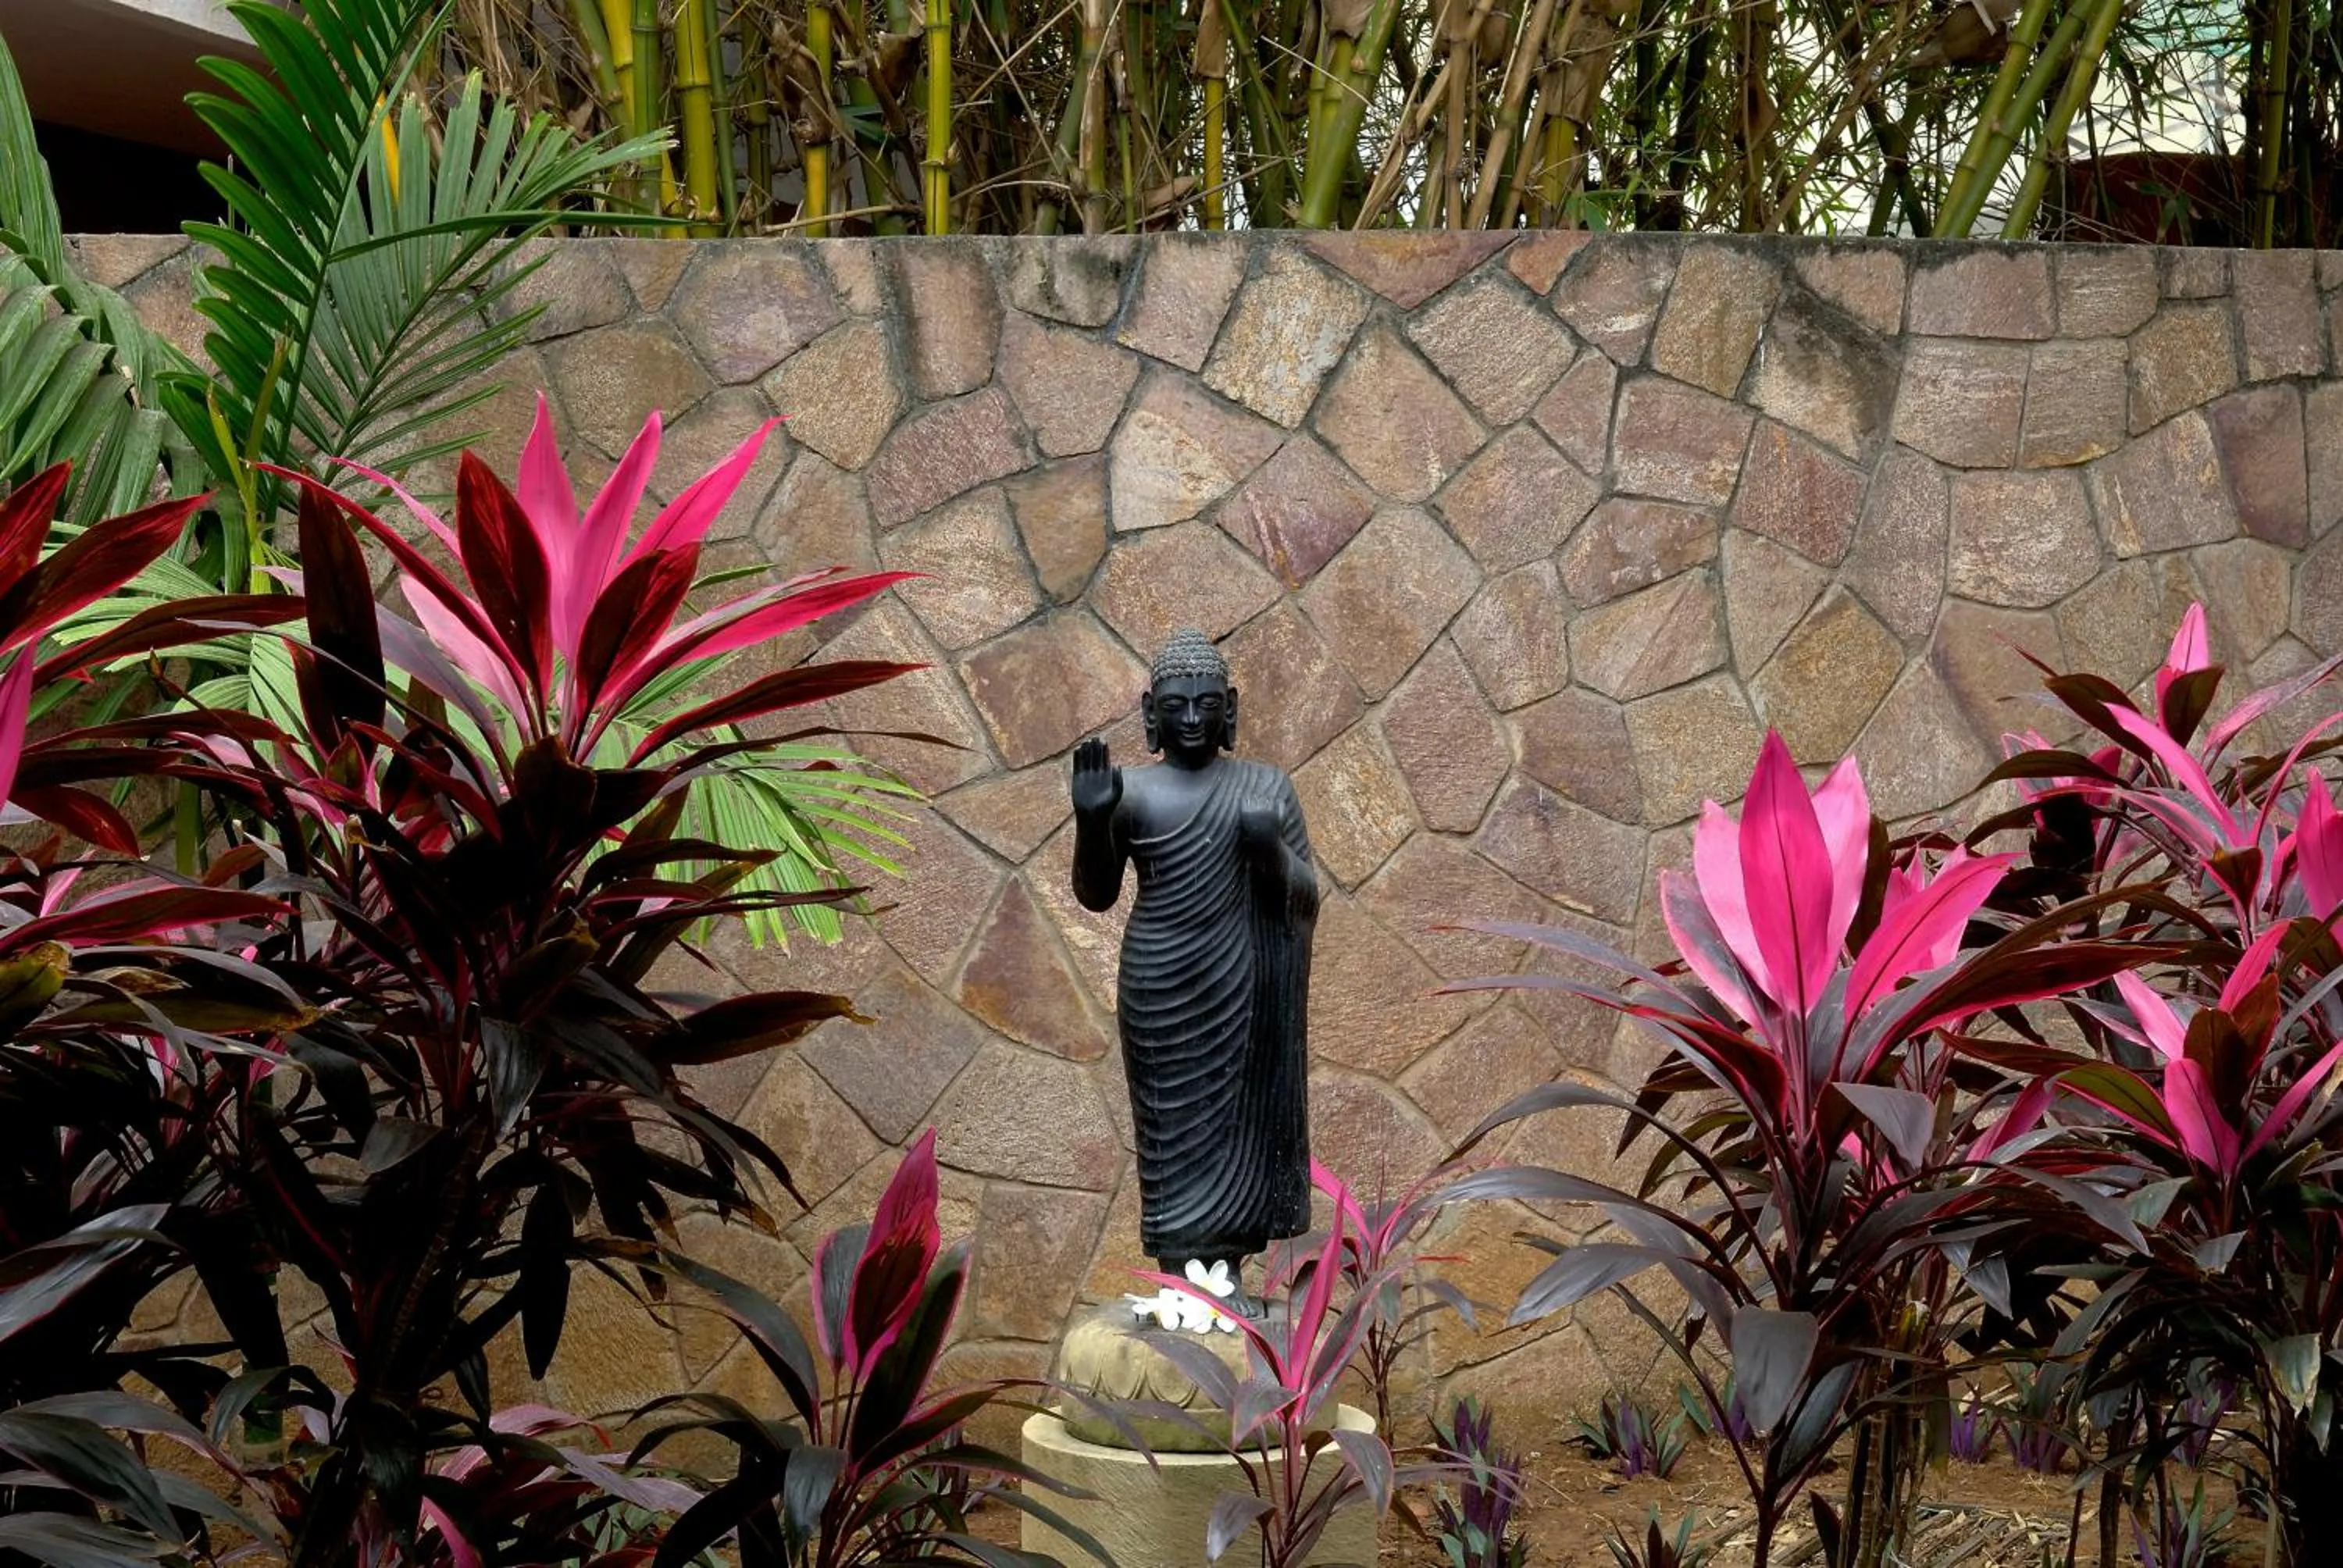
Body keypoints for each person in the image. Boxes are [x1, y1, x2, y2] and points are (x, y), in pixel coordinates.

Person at [1069, 628, 1319, 1317]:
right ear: (1150, 712)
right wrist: (1093, 820)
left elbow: (1306, 894)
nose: (1189, 719)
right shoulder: (1133, 793)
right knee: (1172, 1128)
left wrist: (1268, 847)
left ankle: (1225, 1267)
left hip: (1243, 979)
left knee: (1238, 1120)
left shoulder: (1266, 786)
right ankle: (1182, 1270)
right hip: (1159, 980)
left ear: (1229, 708)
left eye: (1206, 705)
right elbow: (1095, 893)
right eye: (1175, 705)